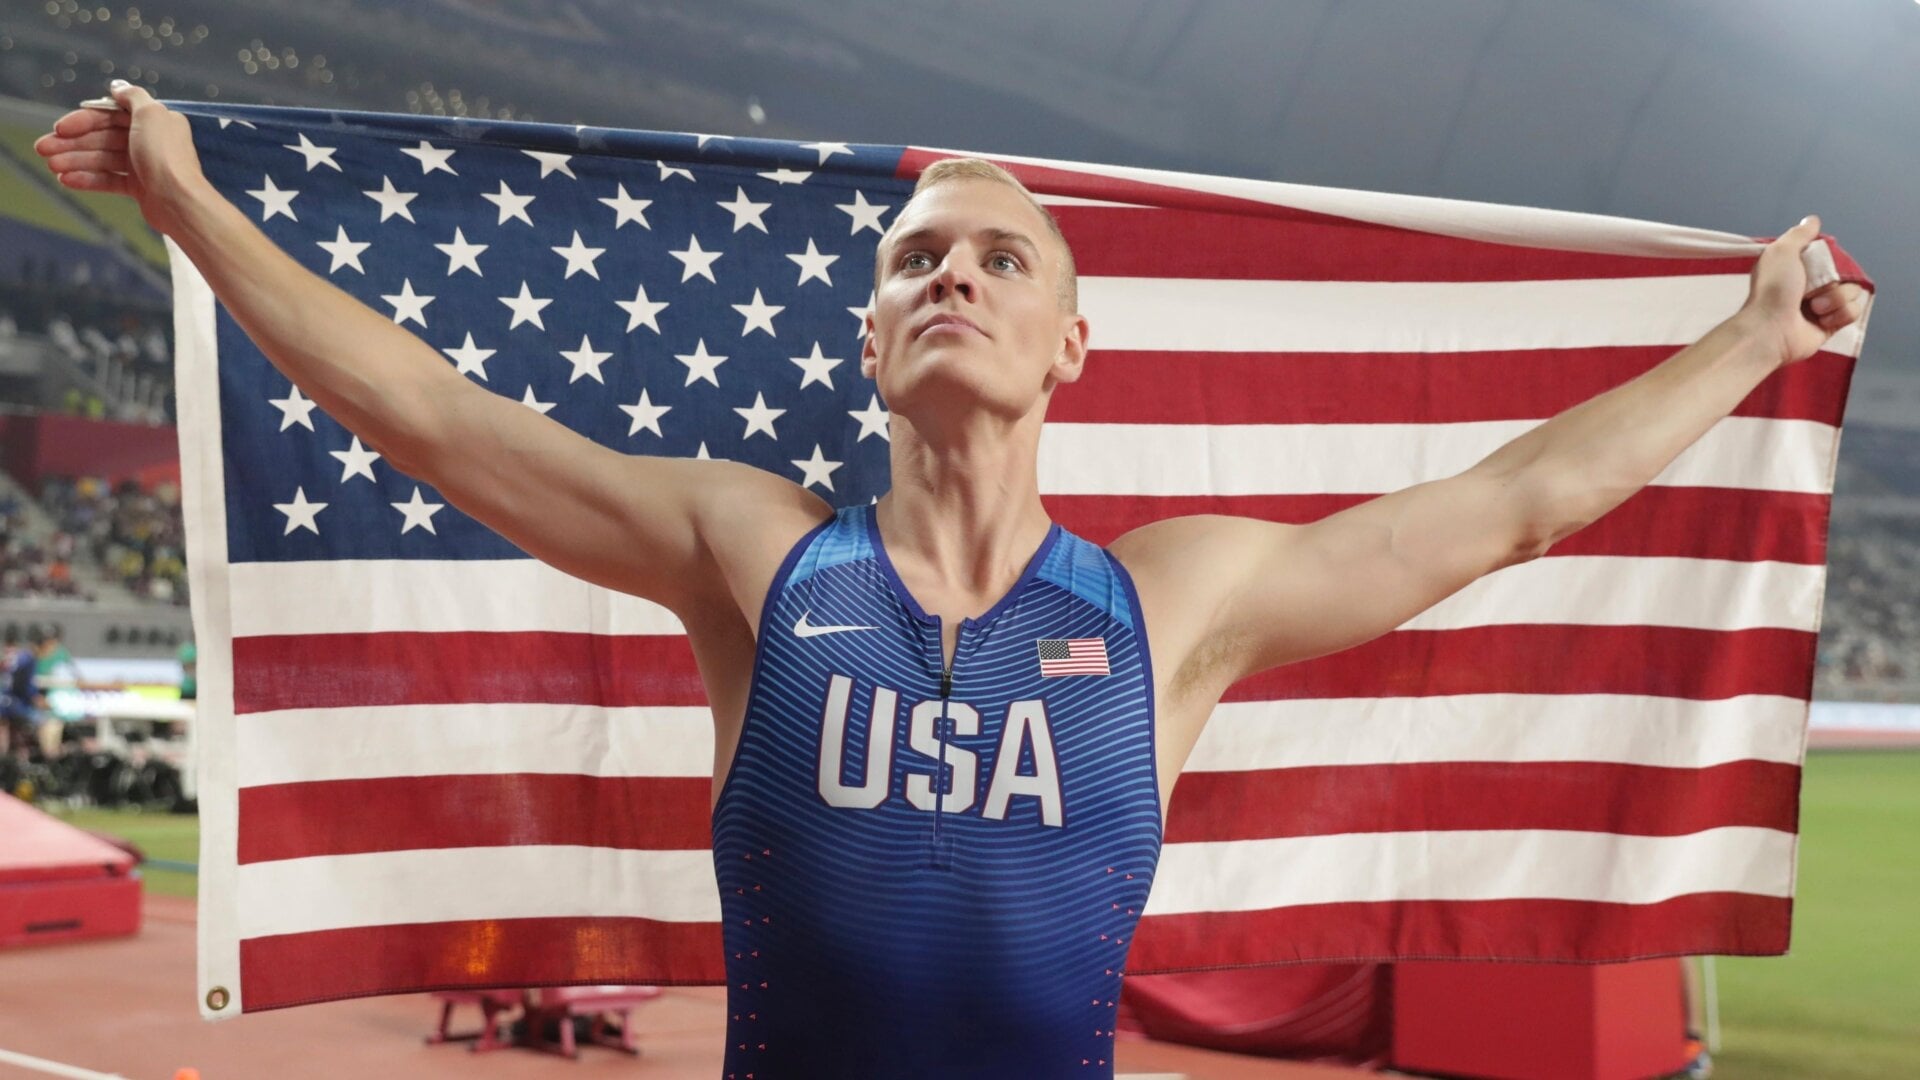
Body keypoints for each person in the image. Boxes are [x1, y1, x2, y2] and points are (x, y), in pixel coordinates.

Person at [36, 81, 1867, 1077]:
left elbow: (1517, 503)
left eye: (1002, 260)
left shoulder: (1171, 605)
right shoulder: (758, 555)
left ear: (1074, 343)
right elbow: (439, 418)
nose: (955, 279)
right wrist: (189, 204)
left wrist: (1755, 339)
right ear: (869, 337)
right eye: (918, 260)